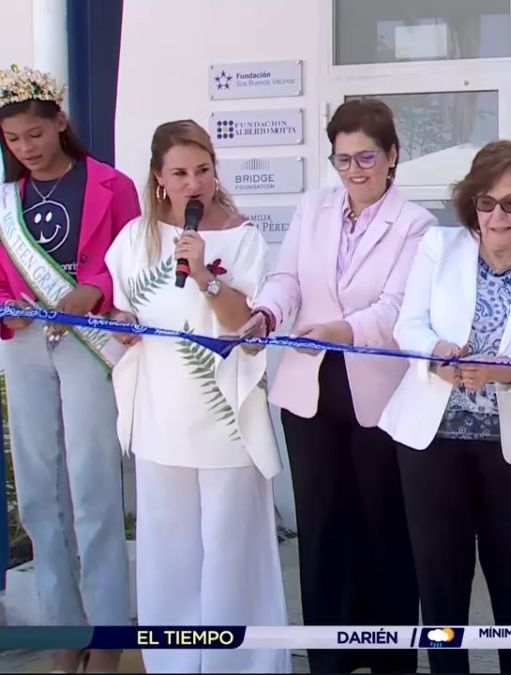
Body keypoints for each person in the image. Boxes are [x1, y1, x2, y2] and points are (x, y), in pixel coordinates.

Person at [238, 98, 434, 674]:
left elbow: (398, 307)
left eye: (366, 157)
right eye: (343, 159)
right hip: (309, 387)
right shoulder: (313, 208)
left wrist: (341, 330)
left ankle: (391, 658)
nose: (354, 170)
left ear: (392, 155)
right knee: (322, 525)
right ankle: (330, 657)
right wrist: (265, 314)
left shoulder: (417, 224)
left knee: (384, 525)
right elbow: (287, 278)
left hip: (377, 390)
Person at [104, 120, 289, 673]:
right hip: (160, 414)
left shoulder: (243, 237)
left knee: (231, 548)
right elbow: (121, 312)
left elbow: (244, 327)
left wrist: (205, 272)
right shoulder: (134, 239)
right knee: (169, 550)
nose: (193, 184)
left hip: (224, 418)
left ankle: (240, 664)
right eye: (180, 173)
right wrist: (121, 324)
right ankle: (175, 663)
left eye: (203, 171)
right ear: (159, 178)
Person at [379, 140, 511, 674]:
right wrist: (435, 355)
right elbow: (409, 325)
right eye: (486, 202)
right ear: (471, 204)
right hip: (432, 442)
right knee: (440, 580)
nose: (497, 216)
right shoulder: (438, 247)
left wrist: (506, 371)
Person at [0, 64, 135, 674]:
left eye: (34, 133)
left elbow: (133, 260)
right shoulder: (7, 201)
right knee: (39, 494)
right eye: (12, 140)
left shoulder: (112, 184)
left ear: (60, 121)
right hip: (25, 343)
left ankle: (106, 635)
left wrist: (94, 289)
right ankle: (63, 630)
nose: (25, 148)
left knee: (94, 488)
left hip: (90, 340)